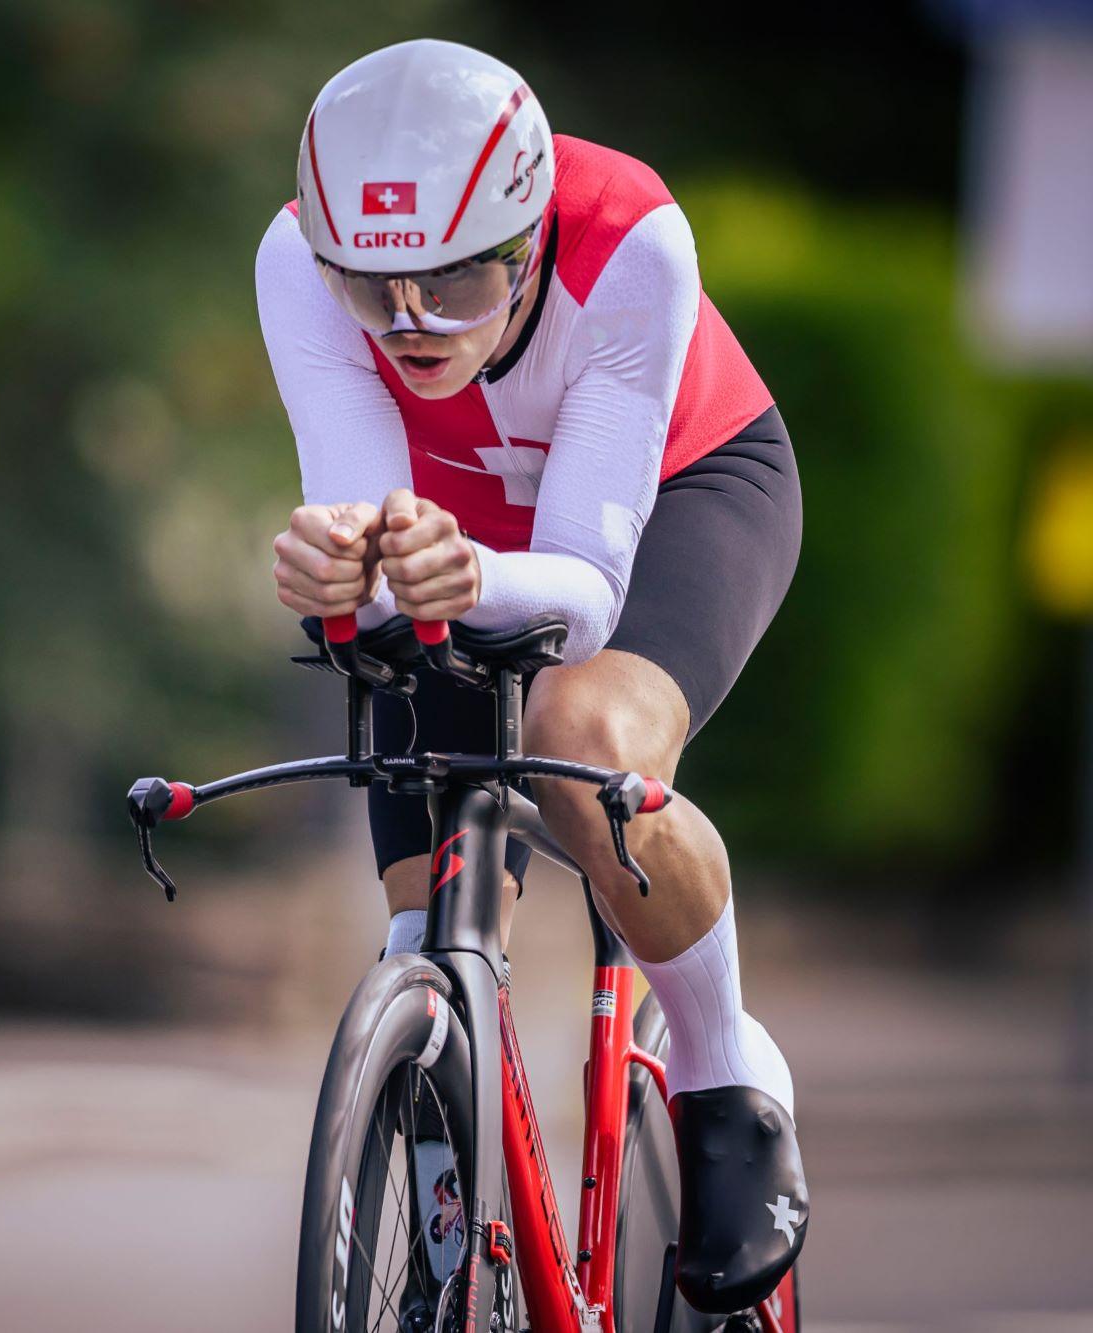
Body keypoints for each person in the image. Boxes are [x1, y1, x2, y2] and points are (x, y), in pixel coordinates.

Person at [257, 41, 806, 1312]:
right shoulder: (295, 257)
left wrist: (449, 574)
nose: (407, 327)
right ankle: (448, 1173)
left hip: (671, 495)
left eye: (451, 282)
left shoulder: (628, 241)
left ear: (525, 240)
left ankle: (729, 1064)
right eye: (371, 285)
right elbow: (359, 518)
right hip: (450, 532)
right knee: (420, 888)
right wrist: (334, 566)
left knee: (576, 727)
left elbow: (577, 587)